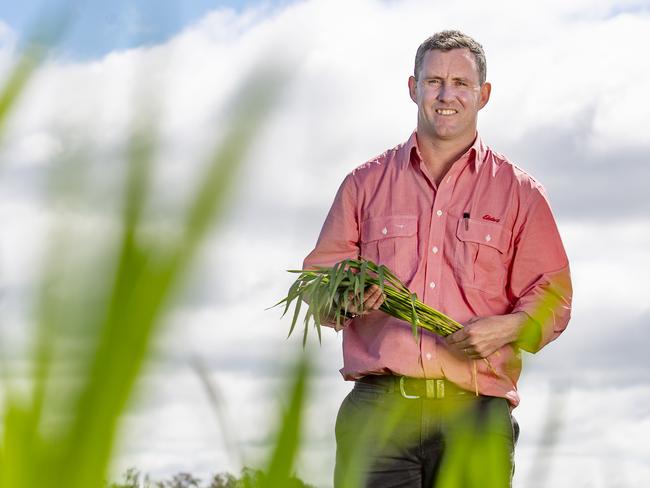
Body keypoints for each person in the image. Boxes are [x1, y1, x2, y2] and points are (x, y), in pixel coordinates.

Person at [302, 30, 572, 487]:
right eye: (434, 82)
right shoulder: (363, 185)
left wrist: (505, 328)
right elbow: (319, 281)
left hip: (476, 411)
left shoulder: (520, 194)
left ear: (483, 95)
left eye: (461, 84)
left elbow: (554, 297)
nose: (447, 95)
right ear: (413, 88)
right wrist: (346, 299)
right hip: (379, 413)